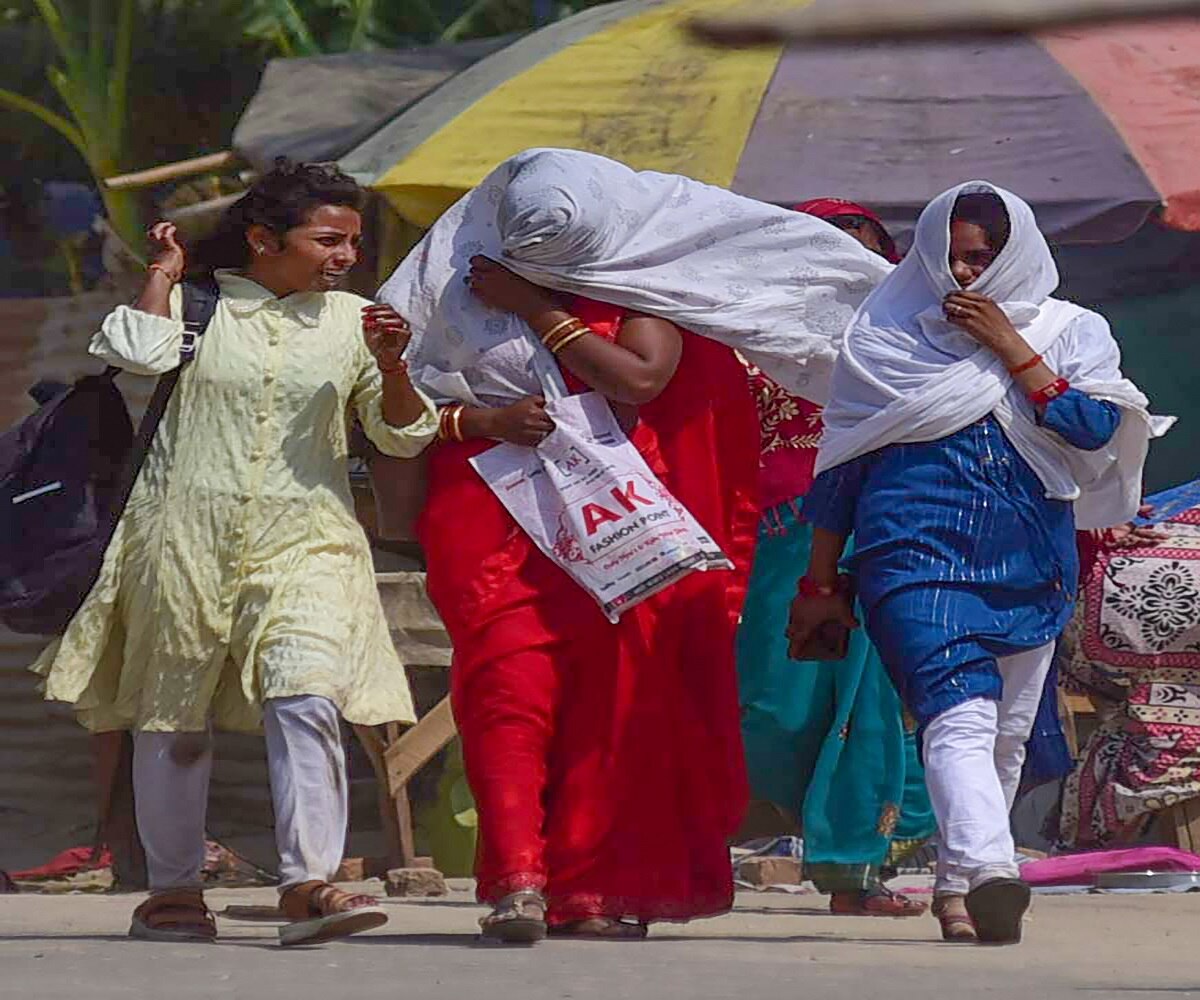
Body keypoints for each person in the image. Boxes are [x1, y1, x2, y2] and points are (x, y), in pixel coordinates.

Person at [379, 147, 890, 942]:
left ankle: (586, 889)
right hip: (490, 509)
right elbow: (399, 412)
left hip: (616, 524)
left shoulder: (643, 274)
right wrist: (468, 413)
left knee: (610, 706)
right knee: (505, 686)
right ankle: (515, 877)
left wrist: (537, 306)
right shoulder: (450, 288)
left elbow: (639, 378)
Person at [31, 161, 439, 945]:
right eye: (328, 239)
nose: (346, 255)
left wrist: (392, 367)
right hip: (180, 538)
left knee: (309, 694)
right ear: (263, 239)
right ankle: (174, 891)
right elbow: (134, 351)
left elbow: (400, 433)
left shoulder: (356, 321)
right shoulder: (195, 305)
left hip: (307, 541)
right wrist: (161, 274)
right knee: (172, 721)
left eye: (353, 241)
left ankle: (309, 883)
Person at [789, 182, 1167, 944]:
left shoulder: (1071, 329)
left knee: (1006, 733)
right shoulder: (885, 333)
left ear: (1018, 254)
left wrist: (1010, 346)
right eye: (953, 257)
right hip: (909, 551)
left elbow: (1094, 428)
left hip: (1027, 555)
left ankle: (960, 888)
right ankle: (995, 867)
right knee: (957, 714)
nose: (966, 275)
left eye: (984, 258)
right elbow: (841, 470)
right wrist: (821, 582)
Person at [737, 199, 937, 920]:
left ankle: (853, 869)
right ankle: (714, 838)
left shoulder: (913, 339)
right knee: (773, 700)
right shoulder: (741, 333)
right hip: (770, 537)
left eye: (863, 256)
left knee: (872, 704)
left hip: (878, 530)